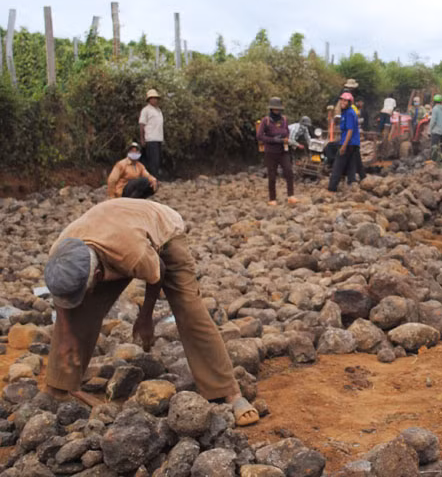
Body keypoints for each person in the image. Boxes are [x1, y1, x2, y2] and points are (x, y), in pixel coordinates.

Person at [42, 198, 260, 426]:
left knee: (189, 308)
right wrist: (66, 335)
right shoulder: (60, 253)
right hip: (110, 227)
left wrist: (145, 317)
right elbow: (63, 298)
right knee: (80, 309)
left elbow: (158, 272)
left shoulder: (133, 255)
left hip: (162, 230)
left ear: (97, 275)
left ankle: (228, 391)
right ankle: (60, 386)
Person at [256, 97, 298, 206]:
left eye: (278, 109)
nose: (276, 111)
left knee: (288, 171)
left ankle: (291, 195)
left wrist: (285, 138)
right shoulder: (266, 121)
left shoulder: (284, 120)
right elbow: (259, 136)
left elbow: (287, 132)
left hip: (283, 150)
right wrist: (272, 140)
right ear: (271, 109)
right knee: (272, 175)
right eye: (275, 109)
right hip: (270, 151)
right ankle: (272, 198)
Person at [327, 92, 360, 192]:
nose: (343, 102)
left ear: (349, 102)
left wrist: (344, 146)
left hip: (349, 143)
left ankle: (332, 188)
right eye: (342, 100)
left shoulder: (349, 113)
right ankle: (351, 185)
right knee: (350, 165)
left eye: (345, 101)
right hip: (352, 143)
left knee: (338, 166)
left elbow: (350, 130)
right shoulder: (345, 112)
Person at [139, 89, 164, 179]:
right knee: (153, 161)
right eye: (152, 98)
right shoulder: (146, 110)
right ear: (149, 99)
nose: (154, 100)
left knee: (157, 160)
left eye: (156, 98)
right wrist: (142, 139)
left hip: (158, 138)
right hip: (150, 139)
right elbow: (142, 124)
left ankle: (152, 179)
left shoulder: (158, 110)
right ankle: (153, 180)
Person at [429, 94, 442, 161]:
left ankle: (434, 160)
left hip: (436, 131)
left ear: (434, 101)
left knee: (434, 146)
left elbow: (433, 120)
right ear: (441, 101)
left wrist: (429, 130)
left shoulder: (435, 109)